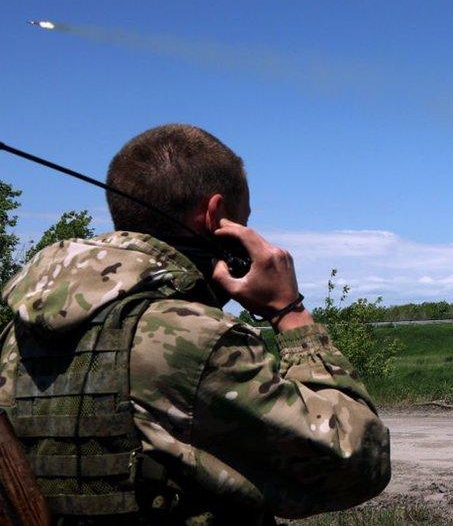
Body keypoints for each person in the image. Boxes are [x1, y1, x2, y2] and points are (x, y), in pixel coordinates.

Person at [0, 124, 391, 524]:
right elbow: (358, 462)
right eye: (246, 221)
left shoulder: (16, 336)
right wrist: (288, 312)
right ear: (217, 216)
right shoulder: (194, 341)